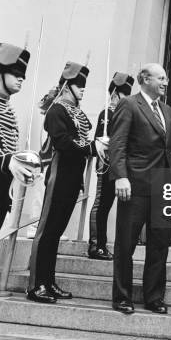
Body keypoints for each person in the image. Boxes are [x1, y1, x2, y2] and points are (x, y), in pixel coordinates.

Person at [27, 61, 104, 303]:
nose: (83, 89)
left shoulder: (75, 112)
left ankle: (49, 282)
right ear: (68, 85)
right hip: (59, 173)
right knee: (47, 230)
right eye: (79, 85)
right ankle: (36, 284)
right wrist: (91, 147)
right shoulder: (57, 110)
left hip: (72, 176)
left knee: (57, 231)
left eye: (84, 85)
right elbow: (62, 142)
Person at [109, 63, 171, 315]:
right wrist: (120, 177)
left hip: (162, 188)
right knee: (126, 243)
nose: (166, 82)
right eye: (161, 77)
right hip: (134, 185)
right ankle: (122, 297)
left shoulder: (167, 110)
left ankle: (154, 297)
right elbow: (118, 144)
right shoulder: (129, 105)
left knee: (159, 245)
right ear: (144, 79)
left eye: (166, 78)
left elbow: (166, 151)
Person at [88, 72, 134, 260]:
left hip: (118, 166)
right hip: (106, 164)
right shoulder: (107, 113)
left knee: (107, 205)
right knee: (101, 204)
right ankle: (95, 245)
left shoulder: (122, 112)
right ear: (116, 93)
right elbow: (101, 139)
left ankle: (102, 244)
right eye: (124, 94)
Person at [0, 42, 32, 230]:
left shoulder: (7, 109)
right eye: (16, 73)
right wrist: (7, 161)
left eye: (23, 75)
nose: (21, 79)